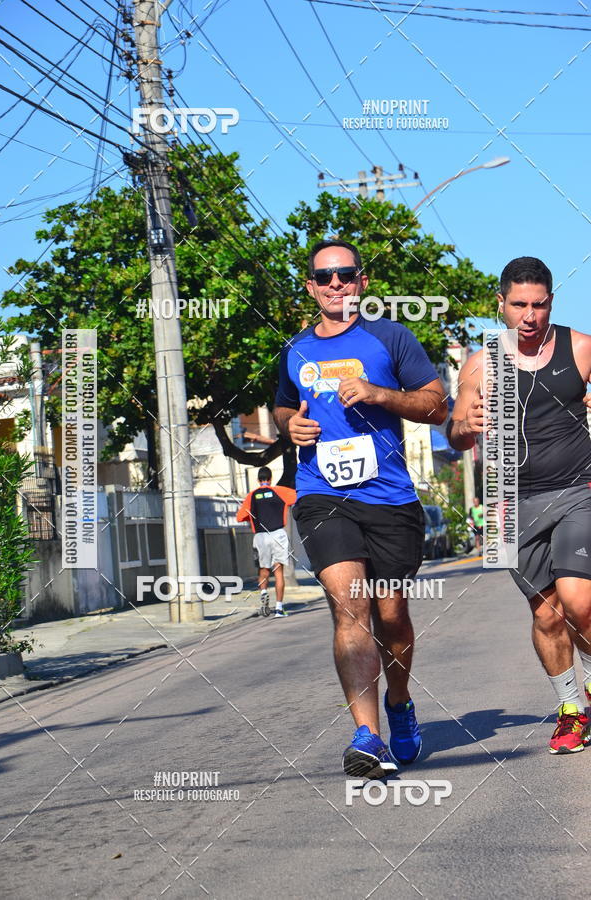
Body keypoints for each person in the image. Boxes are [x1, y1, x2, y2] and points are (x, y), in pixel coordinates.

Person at [273, 238, 447, 777]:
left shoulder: (390, 336)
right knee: (351, 607)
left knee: (390, 615)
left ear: (361, 282)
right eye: (324, 277)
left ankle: (399, 704)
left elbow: (437, 406)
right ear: (310, 287)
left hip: (389, 499)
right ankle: (366, 734)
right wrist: (288, 426)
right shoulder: (296, 349)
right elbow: (282, 407)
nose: (335, 285)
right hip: (323, 495)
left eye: (345, 275)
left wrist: (379, 394)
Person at [448, 256, 591, 754]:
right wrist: (465, 426)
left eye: (539, 305)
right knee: (548, 616)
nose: (529, 316)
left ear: (551, 301)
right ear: (501, 305)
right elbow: (456, 433)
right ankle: (572, 710)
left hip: (579, 490)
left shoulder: (580, 348)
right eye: (519, 305)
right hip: (509, 504)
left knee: (579, 602)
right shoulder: (481, 362)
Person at [236, 467, 296, 617]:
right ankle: (279, 608)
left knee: (263, 569)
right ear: (270, 479)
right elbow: (297, 497)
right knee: (279, 571)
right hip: (278, 534)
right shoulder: (280, 491)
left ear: (258, 480)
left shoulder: (251, 496)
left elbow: (240, 517)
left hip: (260, 536)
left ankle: (263, 591)